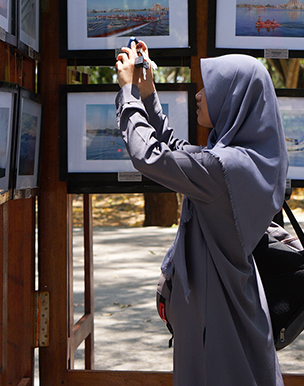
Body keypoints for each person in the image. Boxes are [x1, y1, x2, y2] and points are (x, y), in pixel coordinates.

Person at [115, 42, 288, 385]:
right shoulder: (246, 159)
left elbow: (150, 156)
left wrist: (127, 93)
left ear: (234, 99)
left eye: (211, 87)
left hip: (218, 317)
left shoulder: (225, 168)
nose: (199, 94)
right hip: (226, 306)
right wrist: (148, 92)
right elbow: (178, 150)